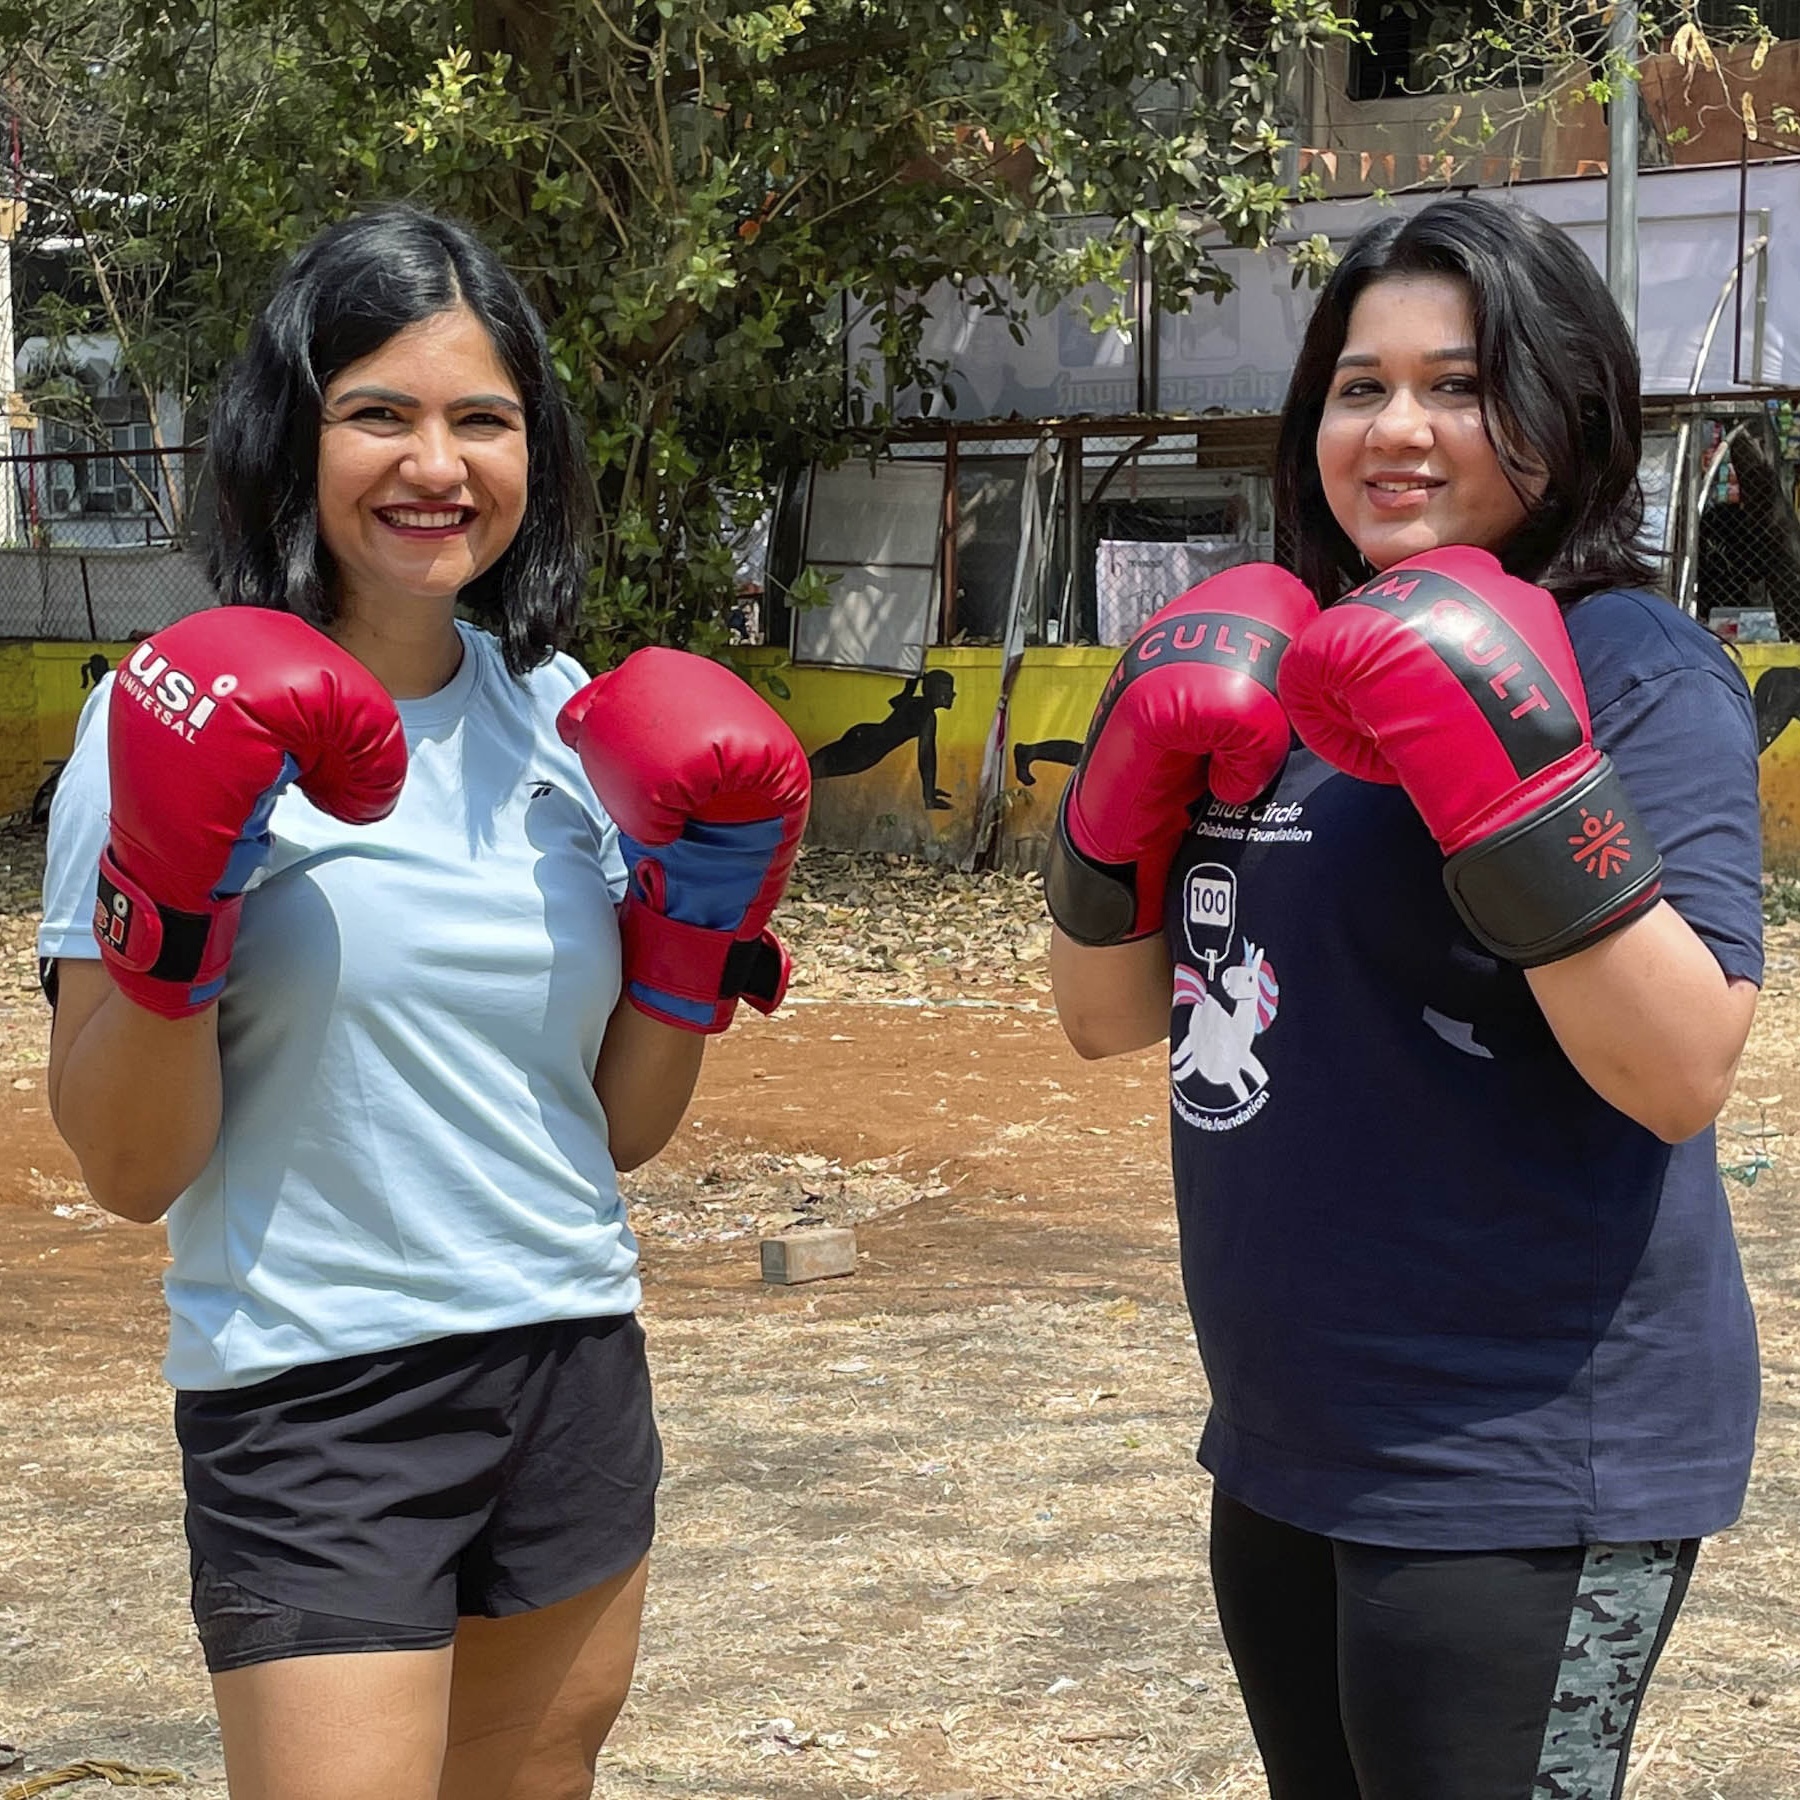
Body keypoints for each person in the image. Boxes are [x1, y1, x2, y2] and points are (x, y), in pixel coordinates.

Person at [38, 205, 809, 1800]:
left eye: (484, 420)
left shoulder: (569, 725)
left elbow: (618, 1131)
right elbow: (127, 1171)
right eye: (377, 413)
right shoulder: (161, 714)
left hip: (569, 1364)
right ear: (288, 438)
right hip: (316, 1393)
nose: (435, 465)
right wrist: (180, 904)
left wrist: (693, 926)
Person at [1044, 195, 1763, 1800]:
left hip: (1523, 1455)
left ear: (1566, 415)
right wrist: (1116, 800)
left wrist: (1500, 772)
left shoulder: (1631, 662)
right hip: (1296, 1427)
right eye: (1359, 388)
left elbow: (1678, 1068)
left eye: (1458, 384)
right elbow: (1107, 1017)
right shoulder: (1269, 669)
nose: (1400, 429)